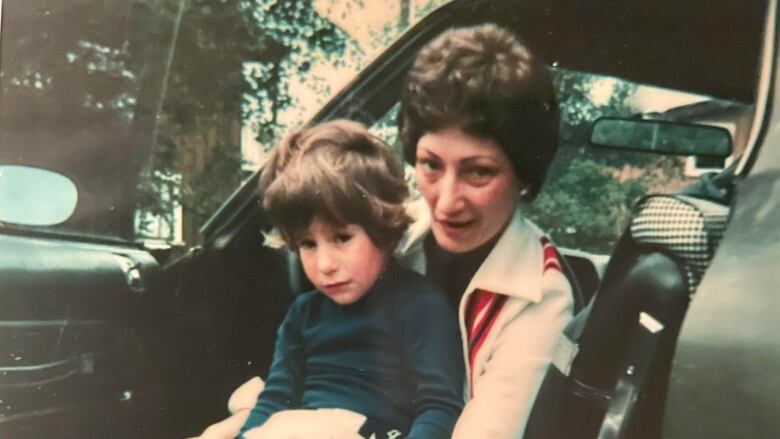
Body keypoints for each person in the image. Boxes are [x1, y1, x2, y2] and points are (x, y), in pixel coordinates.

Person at [394, 23, 574, 438]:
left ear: (523, 176)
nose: (445, 201)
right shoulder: (388, 236)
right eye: (431, 165)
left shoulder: (541, 296)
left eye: (478, 172)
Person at [233, 120, 464, 439]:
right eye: (308, 244)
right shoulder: (304, 313)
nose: (324, 264)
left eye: (341, 238)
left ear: (383, 231)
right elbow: (275, 399)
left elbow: (439, 407)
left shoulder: (420, 306)